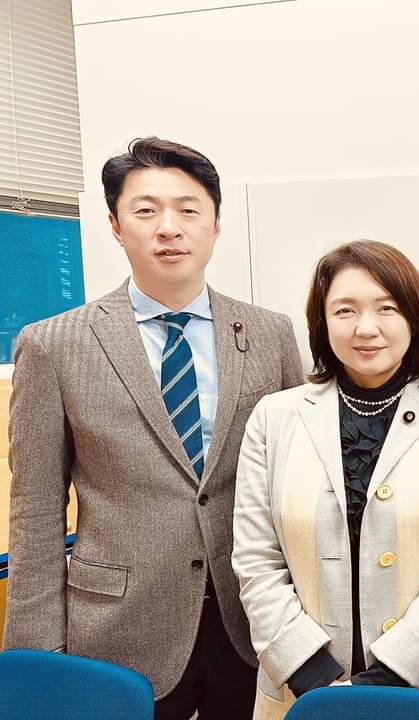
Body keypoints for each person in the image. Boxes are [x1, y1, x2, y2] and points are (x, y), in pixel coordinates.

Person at [3, 137, 305, 719]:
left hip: (253, 617)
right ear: (116, 226)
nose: (169, 228)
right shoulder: (53, 344)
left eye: (189, 210)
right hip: (120, 624)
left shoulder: (270, 334)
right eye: (146, 210)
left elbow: (296, 480)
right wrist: (36, 658)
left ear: (215, 225)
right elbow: (35, 510)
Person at [232, 240, 419, 719]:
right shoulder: (274, 417)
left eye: (387, 308)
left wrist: (389, 676)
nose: (366, 327)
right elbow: (255, 557)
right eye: (345, 310)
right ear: (321, 322)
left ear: (413, 318)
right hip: (300, 690)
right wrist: (311, 674)